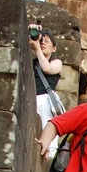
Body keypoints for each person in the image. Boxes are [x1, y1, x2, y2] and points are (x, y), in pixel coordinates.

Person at [30, 26, 63, 158]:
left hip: (45, 100)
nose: (43, 43)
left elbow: (47, 68)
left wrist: (37, 49)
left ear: (54, 48)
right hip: (32, 100)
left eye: (47, 41)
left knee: (48, 140)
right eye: (41, 40)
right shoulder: (30, 62)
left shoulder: (57, 62)